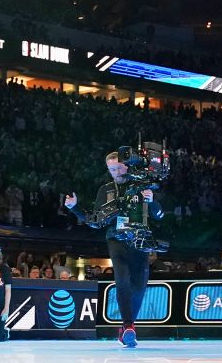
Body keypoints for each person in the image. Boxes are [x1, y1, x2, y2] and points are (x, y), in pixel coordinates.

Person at [65, 150, 163, 349]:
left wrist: (152, 201)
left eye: (118, 167)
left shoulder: (141, 186)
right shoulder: (105, 190)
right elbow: (95, 221)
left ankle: (127, 327)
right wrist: (75, 207)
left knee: (139, 286)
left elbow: (160, 216)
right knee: (122, 281)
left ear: (127, 165)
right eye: (111, 169)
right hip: (116, 240)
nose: (116, 172)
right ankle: (128, 327)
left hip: (140, 240)